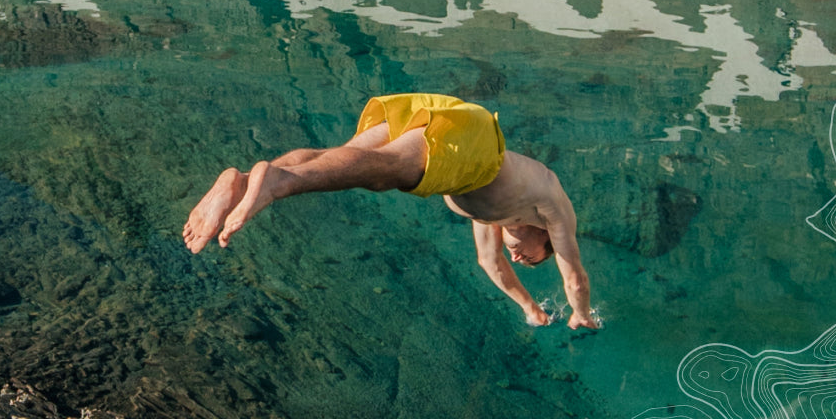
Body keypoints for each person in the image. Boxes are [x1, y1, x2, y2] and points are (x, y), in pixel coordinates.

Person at [182, 93, 599, 329]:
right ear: (544, 236)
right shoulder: (553, 208)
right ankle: (278, 182)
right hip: (472, 141)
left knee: (338, 156)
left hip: (446, 116)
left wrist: (528, 307)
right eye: (533, 256)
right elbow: (575, 277)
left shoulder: (495, 216)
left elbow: (489, 262)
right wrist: (581, 316)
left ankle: (238, 185)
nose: (519, 258)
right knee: (388, 172)